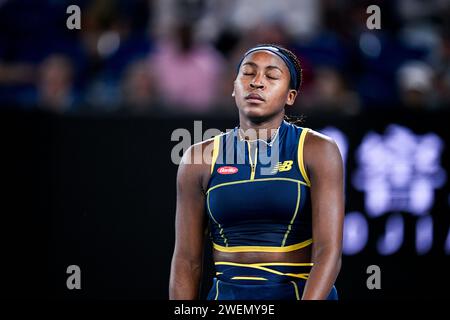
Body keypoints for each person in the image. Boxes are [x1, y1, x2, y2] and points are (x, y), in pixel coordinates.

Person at [169, 44, 344, 300]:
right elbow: (186, 260)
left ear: (290, 96)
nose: (257, 82)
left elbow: (328, 251)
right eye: (248, 74)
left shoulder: (318, 150)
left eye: (272, 76)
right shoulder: (197, 158)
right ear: (234, 87)